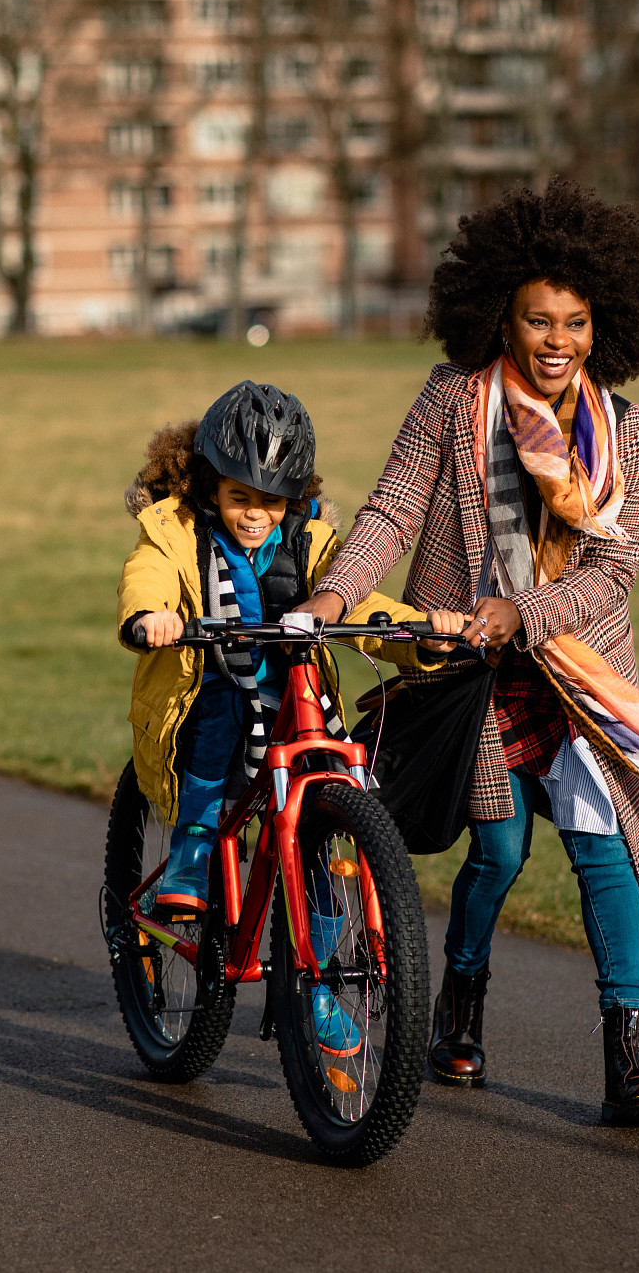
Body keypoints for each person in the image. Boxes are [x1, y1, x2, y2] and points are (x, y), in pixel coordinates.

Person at [296, 178, 639, 1119]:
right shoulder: (451, 400)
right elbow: (393, 506)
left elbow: (610, 576)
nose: (558, 342)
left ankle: (629, 1055)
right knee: (500, 851)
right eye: (539, 321)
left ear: (605, 326)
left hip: (580, 671)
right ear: (500, 318)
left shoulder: (634, 437)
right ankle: (459, 1006)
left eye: (577, 323)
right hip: (468, 671)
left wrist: (524, 610)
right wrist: (335, 592)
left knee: (604, 852)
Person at [117, 380, 458, 1054]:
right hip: (218, 691)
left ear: (294, 498)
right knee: (218, 718)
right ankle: (188, 861)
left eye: (270, 501)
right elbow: (148, 574)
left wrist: (421, 631)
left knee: (327, 833)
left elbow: (359, 602)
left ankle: (322, 983)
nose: (254, 514)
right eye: (240, 496)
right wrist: (152, 615)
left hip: (299, 711)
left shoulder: (311, 543)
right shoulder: (177, 534)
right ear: (211, 486)